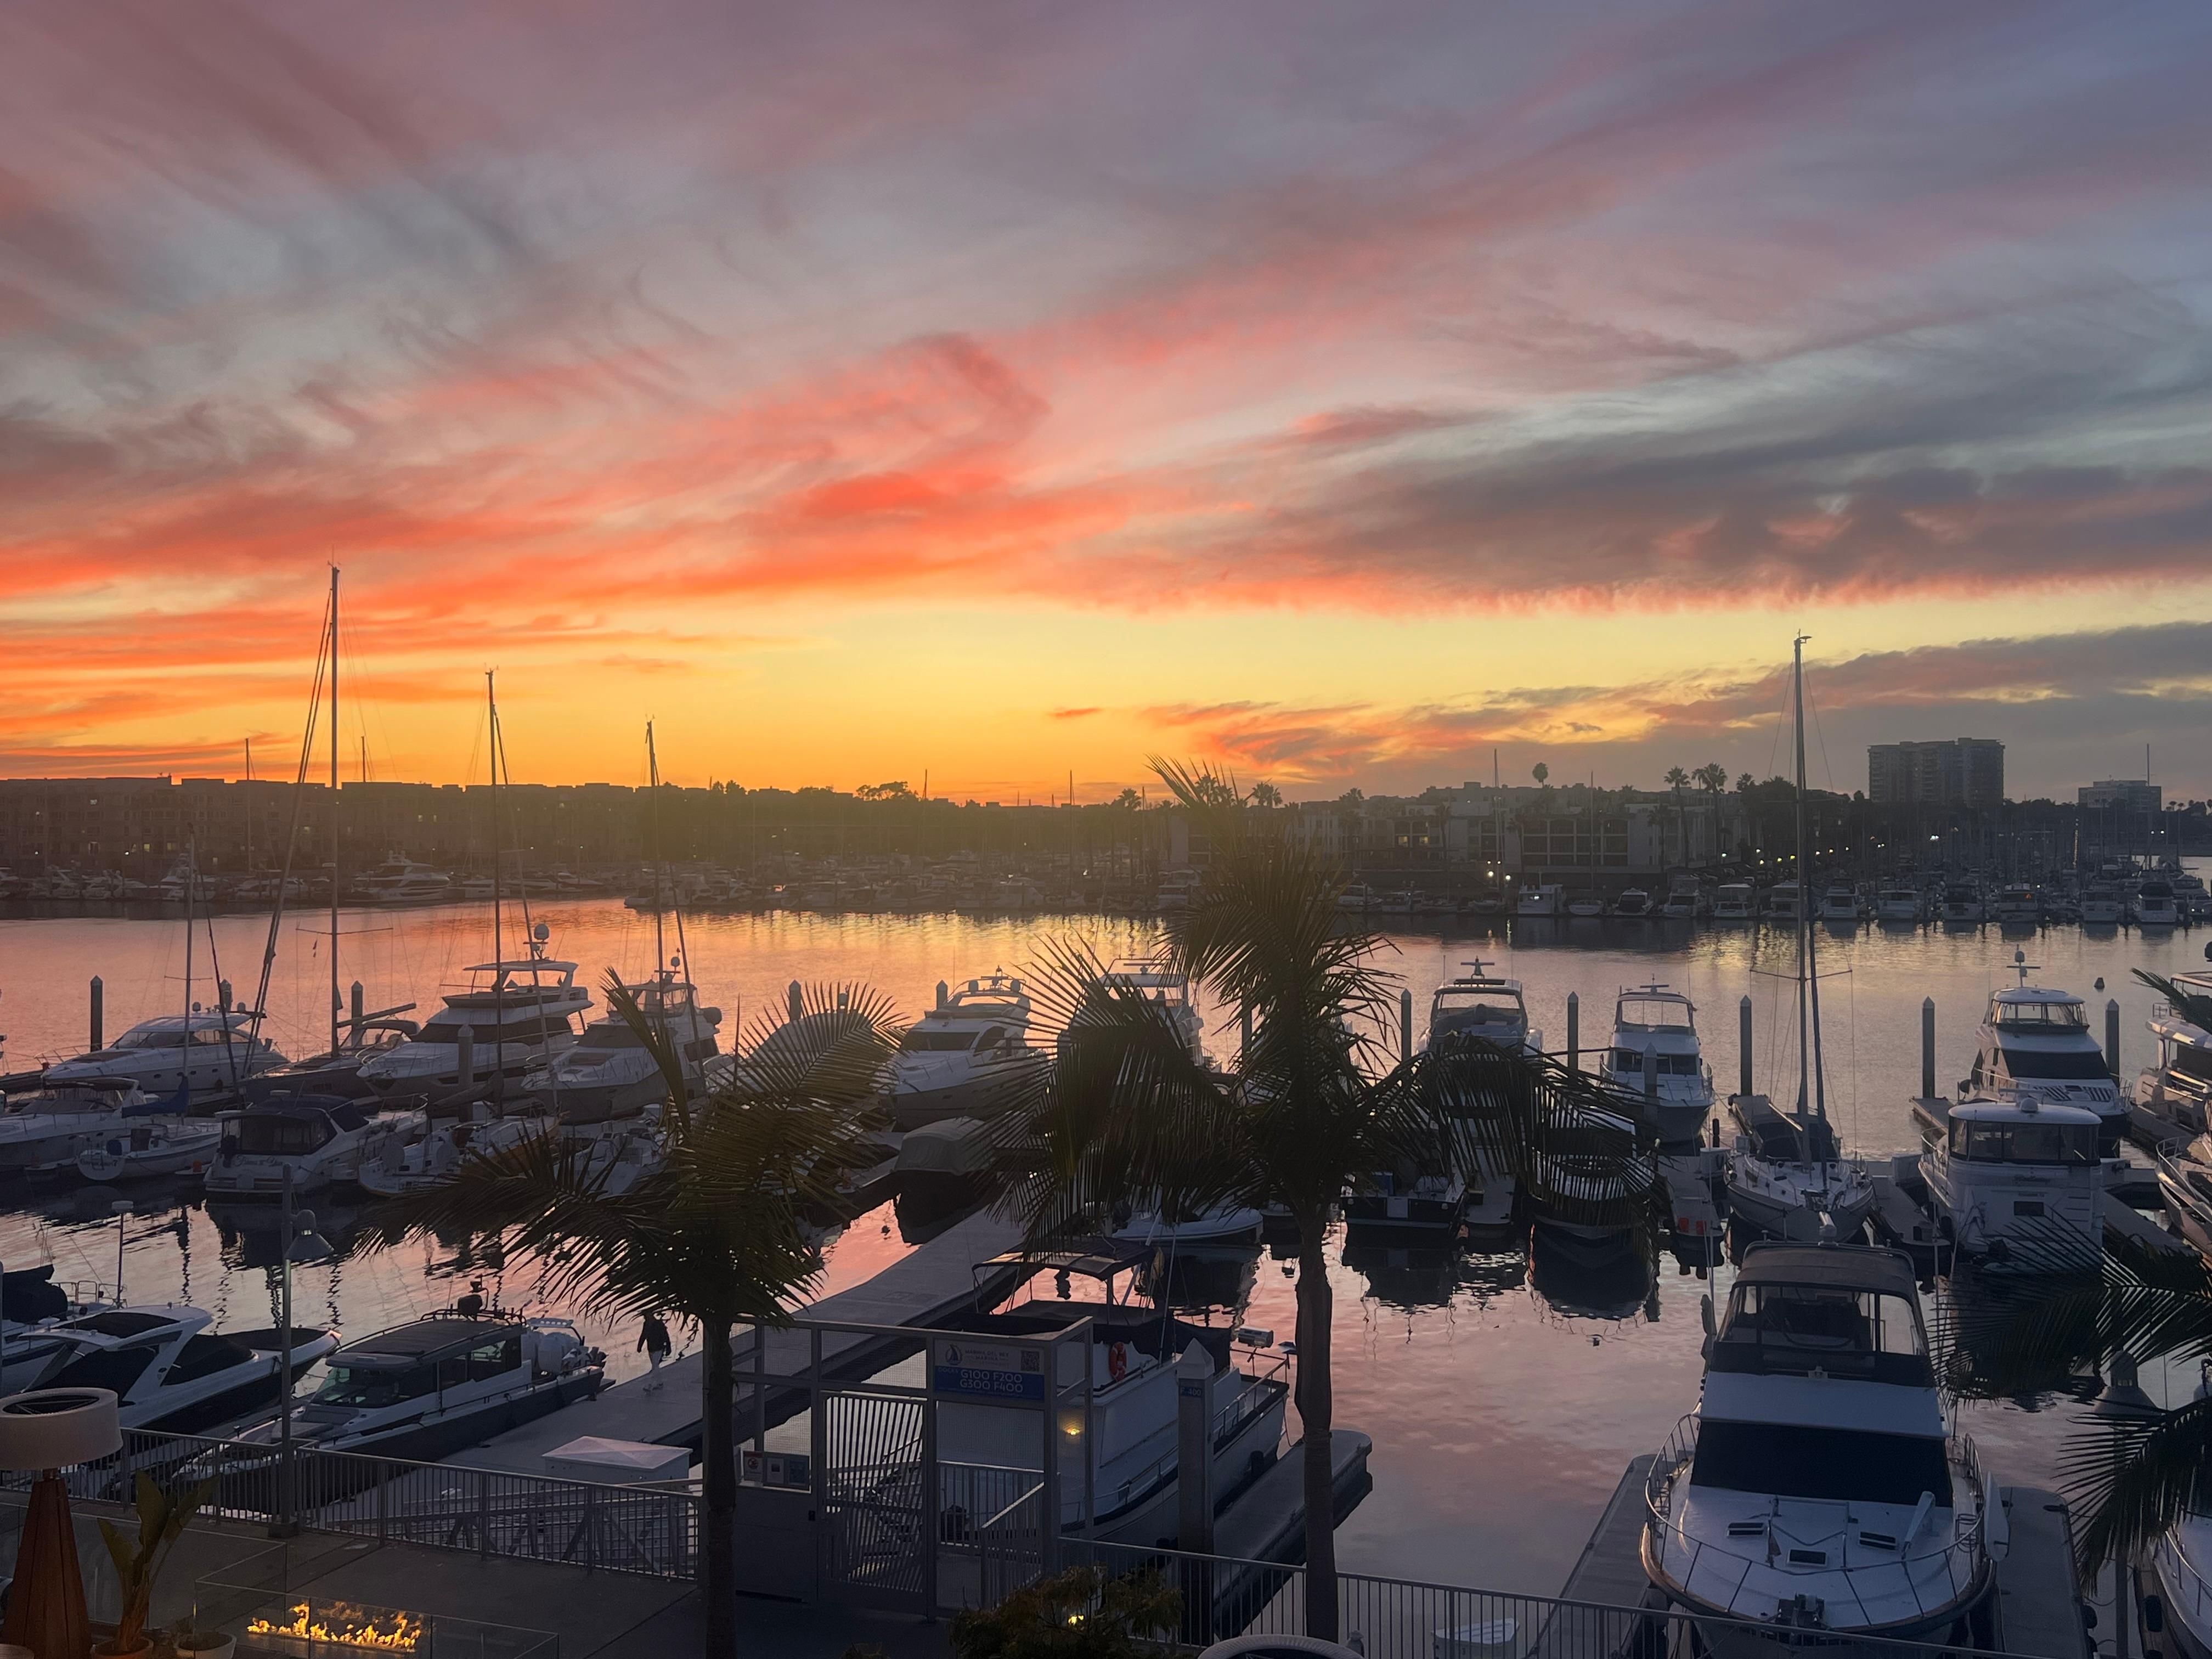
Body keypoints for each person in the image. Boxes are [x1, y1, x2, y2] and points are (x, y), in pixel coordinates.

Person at [639, 1312, 673, 1391]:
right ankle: (659, 1382)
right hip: (651, 1348)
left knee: (655, 1366)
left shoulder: (659, 1324)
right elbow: (643, 1335)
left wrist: (668, 1347)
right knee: (656, 1366)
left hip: (659, 1347)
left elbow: (666, 1335)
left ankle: (650, 1384)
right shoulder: (646, 1324)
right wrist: (640, 1346)